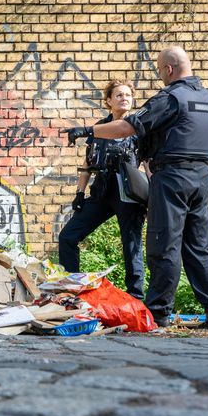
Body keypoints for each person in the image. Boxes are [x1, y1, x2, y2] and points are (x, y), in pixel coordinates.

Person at [66, 46, 208, 329]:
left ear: (168, 69)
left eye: (159, 70)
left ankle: (158, 312)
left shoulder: (170, 98)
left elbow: (128, 127)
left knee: (164, 244)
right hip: (201, 179)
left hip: (172, 177)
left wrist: (89, 131)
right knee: (201, 247)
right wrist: (204, 179)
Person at [58, 79, 147, 299]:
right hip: (102, 191)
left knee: (131, 245)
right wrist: (80, 192)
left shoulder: (138, 128)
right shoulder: (100, 127)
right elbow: (88, 163)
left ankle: (135, 298)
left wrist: (152, 196)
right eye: (119, 95)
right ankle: (72, 292)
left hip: (129, 193)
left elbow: (148, 163)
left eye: (127, 95)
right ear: (108, 101)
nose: (124, 98)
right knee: (68, 237)